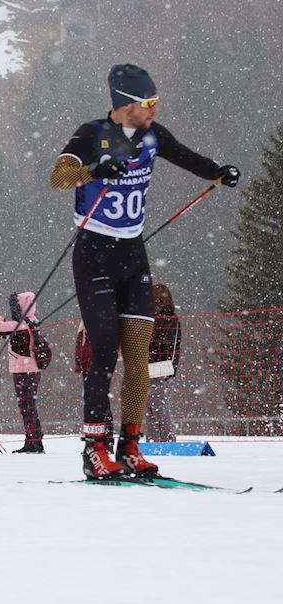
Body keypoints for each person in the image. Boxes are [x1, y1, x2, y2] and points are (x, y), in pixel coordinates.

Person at [49, 63, 238, 478]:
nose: (154, 108)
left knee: (139, 358)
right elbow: (59, 178)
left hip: (133, 257)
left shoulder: (154, 134)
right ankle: (94, 448)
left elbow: (188, 157)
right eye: (147, 102)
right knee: (103, 353)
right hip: (94, 252)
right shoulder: (91, 133)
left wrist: (219, 172)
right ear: (125, 104)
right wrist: (95, 171)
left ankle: (129, 446)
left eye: (155, 101)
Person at [0, 291, 48, 453]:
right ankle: (34, 439)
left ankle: (33, 440)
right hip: (32, 369)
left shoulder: (20, 324)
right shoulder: (33, 321)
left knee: (26, 405)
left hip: (23, 370)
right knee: (30, 404)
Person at [145, 283, 182, 442]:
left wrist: (147, 346)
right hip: (150, 367)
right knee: (151, 408)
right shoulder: (160, 319)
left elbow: (164, 344)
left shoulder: (167, 320)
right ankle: (154, 441)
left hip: (158, 367)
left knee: (158, 408)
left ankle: (167, 441)